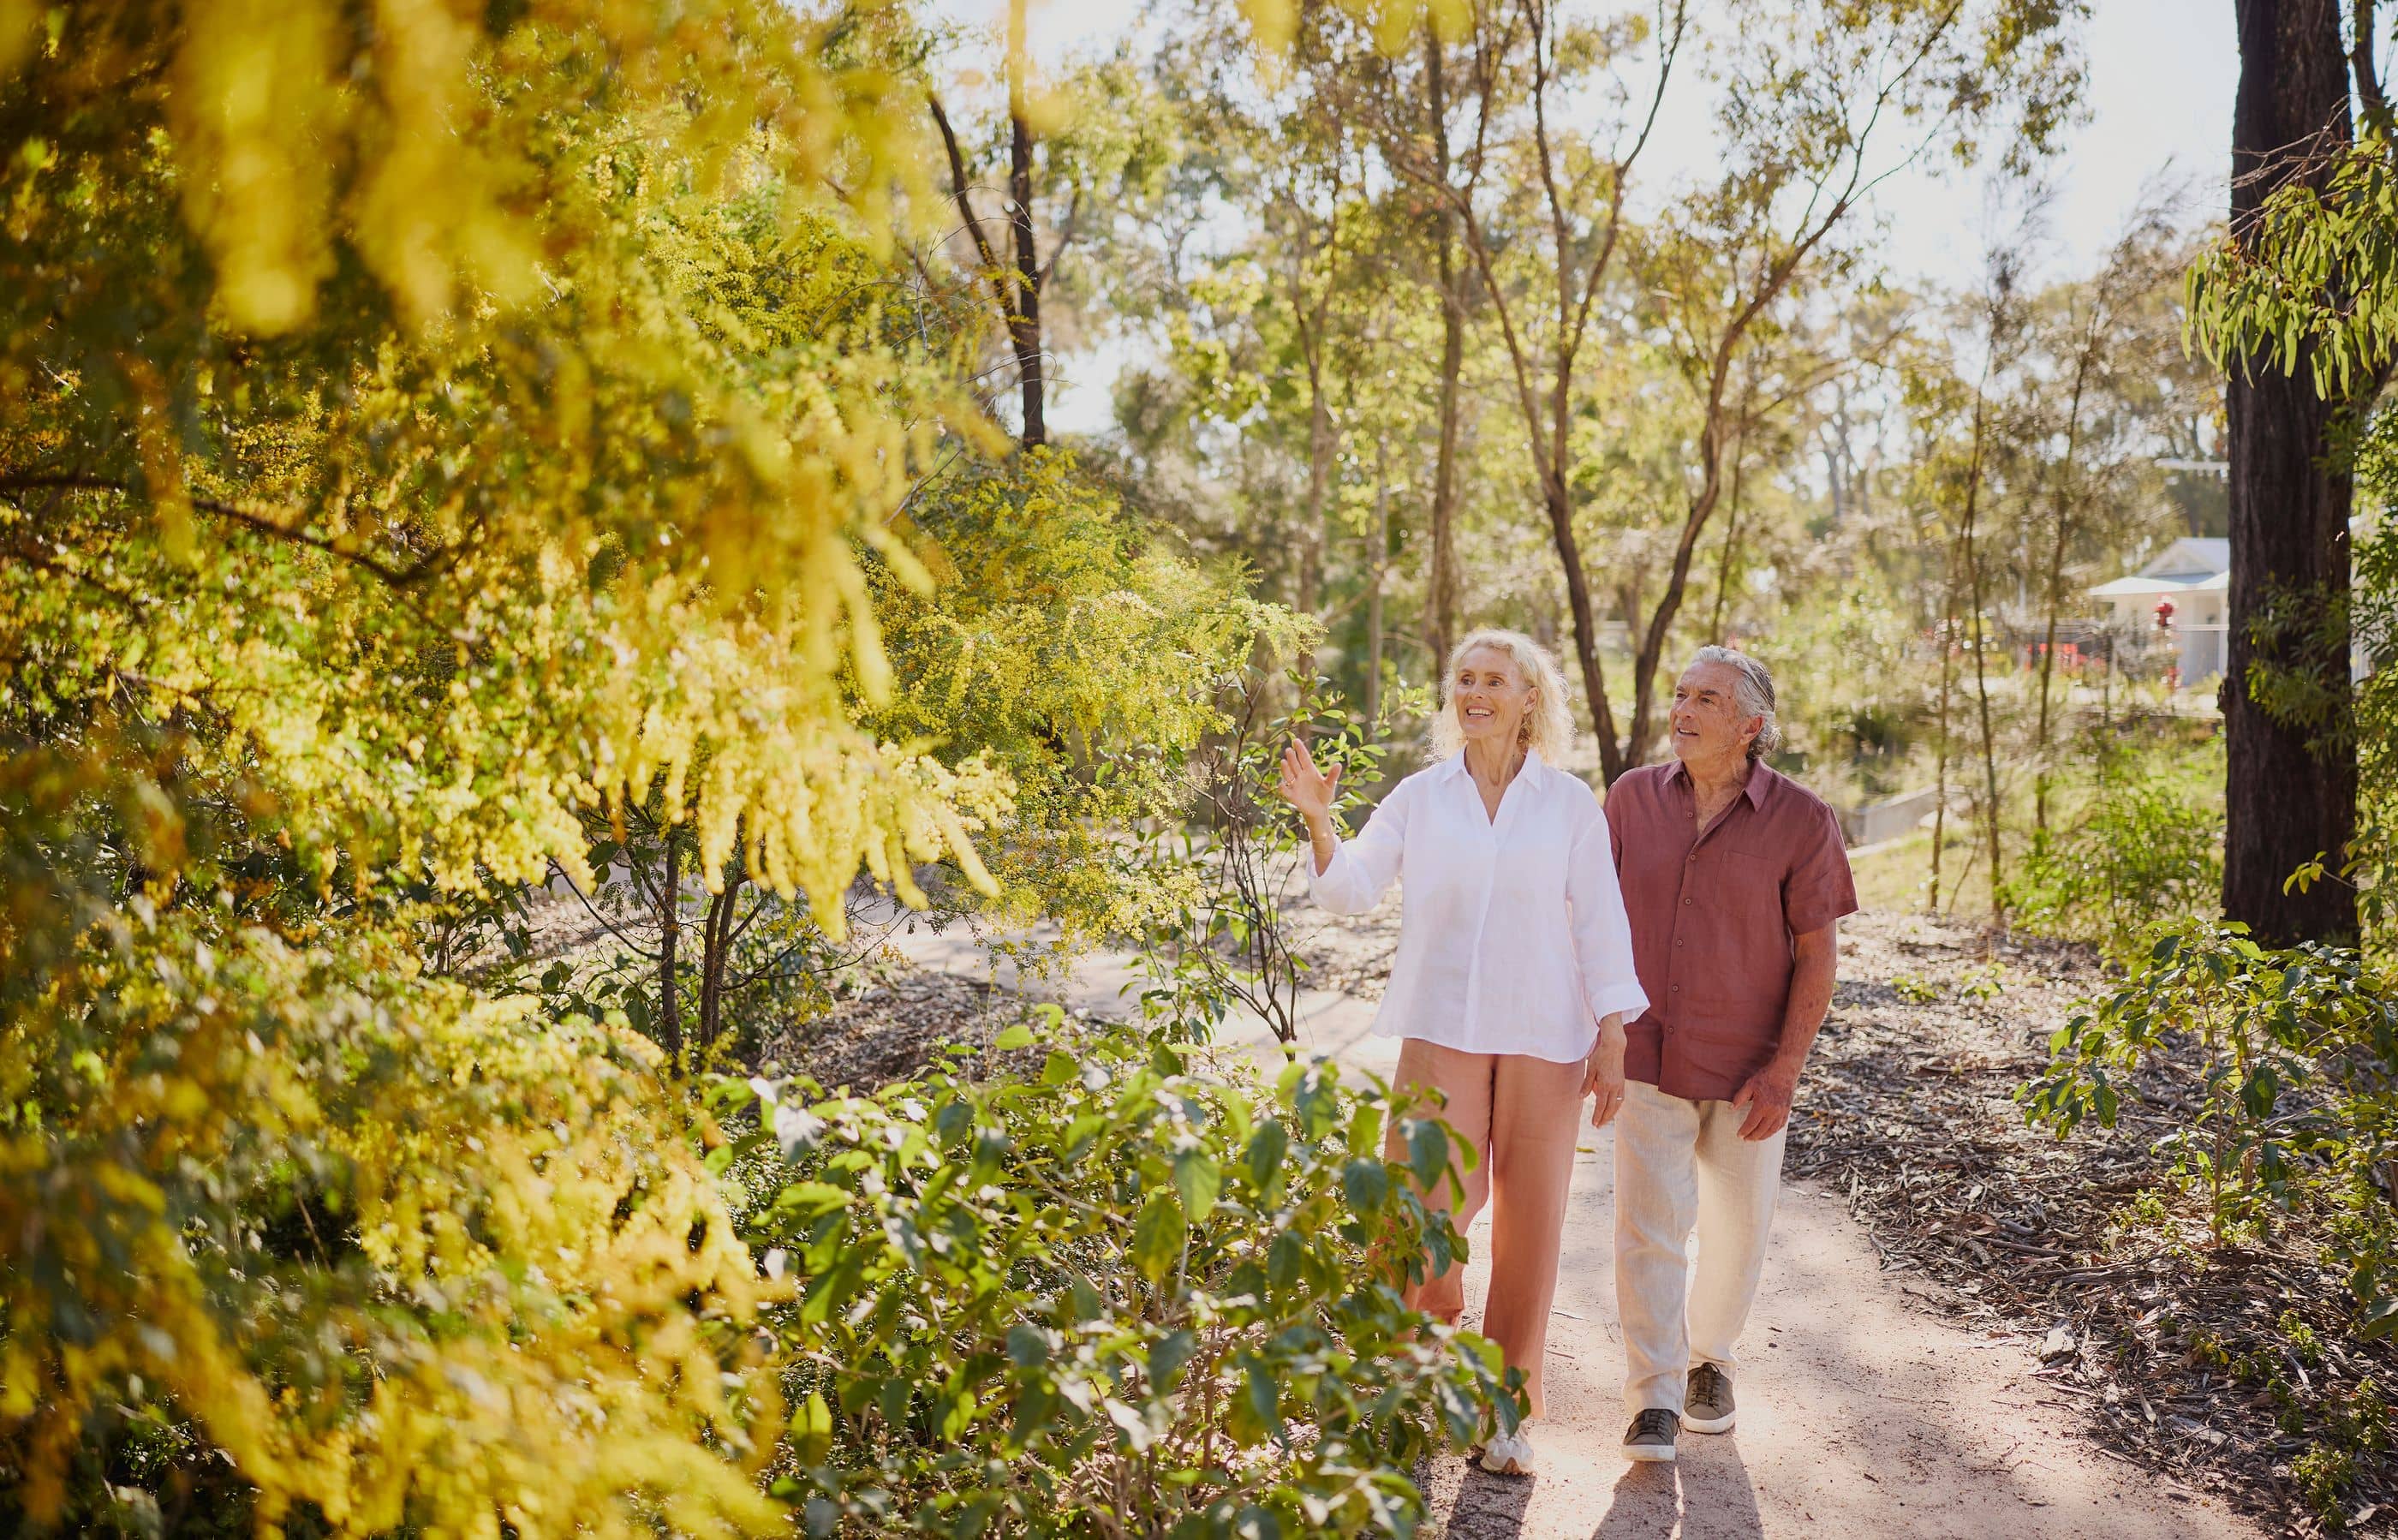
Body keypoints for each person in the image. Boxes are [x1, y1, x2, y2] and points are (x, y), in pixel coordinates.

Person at [1277, 628, 1649, 1478]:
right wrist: (1318, 818)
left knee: (1531, 1229)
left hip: (1543, 1037)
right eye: (1464, 678)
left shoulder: (1565, 804)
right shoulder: (1422, 795)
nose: (1474, 692)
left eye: (1494, 680)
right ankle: (1404, 1380)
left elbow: (1600, 921)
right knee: (1417, 1210)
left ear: (1529, 699)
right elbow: (1350, 891)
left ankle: (1502, 1411)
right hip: (1442, 1029)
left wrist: (1611, 1033)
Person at [1602, 646, 1857, 1463]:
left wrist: (1786, 1069)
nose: (1682, 708)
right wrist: (1597, 1033)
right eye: (1679, 694)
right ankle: (1655, 1397)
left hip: (1751, 1065)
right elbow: (1592, 926)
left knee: (1738, 1231)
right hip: (1648, 1051)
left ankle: (1712, 1359)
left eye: (1704, 698)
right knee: (1649, 1228)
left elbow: (1818, 955)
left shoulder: (1802, 818)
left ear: (1751, 726)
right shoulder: (1630, 800)